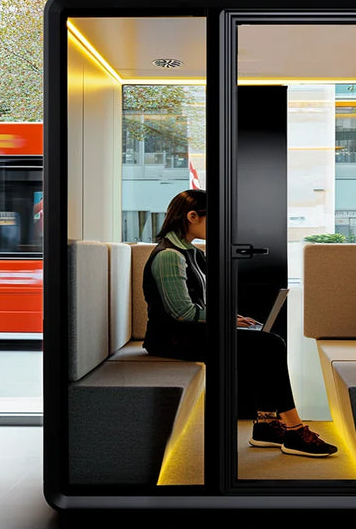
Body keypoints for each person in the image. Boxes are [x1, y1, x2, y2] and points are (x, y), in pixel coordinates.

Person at [142, 189, 337, 458]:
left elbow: (203, 302)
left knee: (266, 342)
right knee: (269, 345)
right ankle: (293, 430)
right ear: (192, 216)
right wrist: (225, 319)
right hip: (172, 339)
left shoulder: (192, 253)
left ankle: (267, 426)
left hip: (190, 333)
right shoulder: (169, 256)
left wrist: (230, 318)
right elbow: (182, 313)